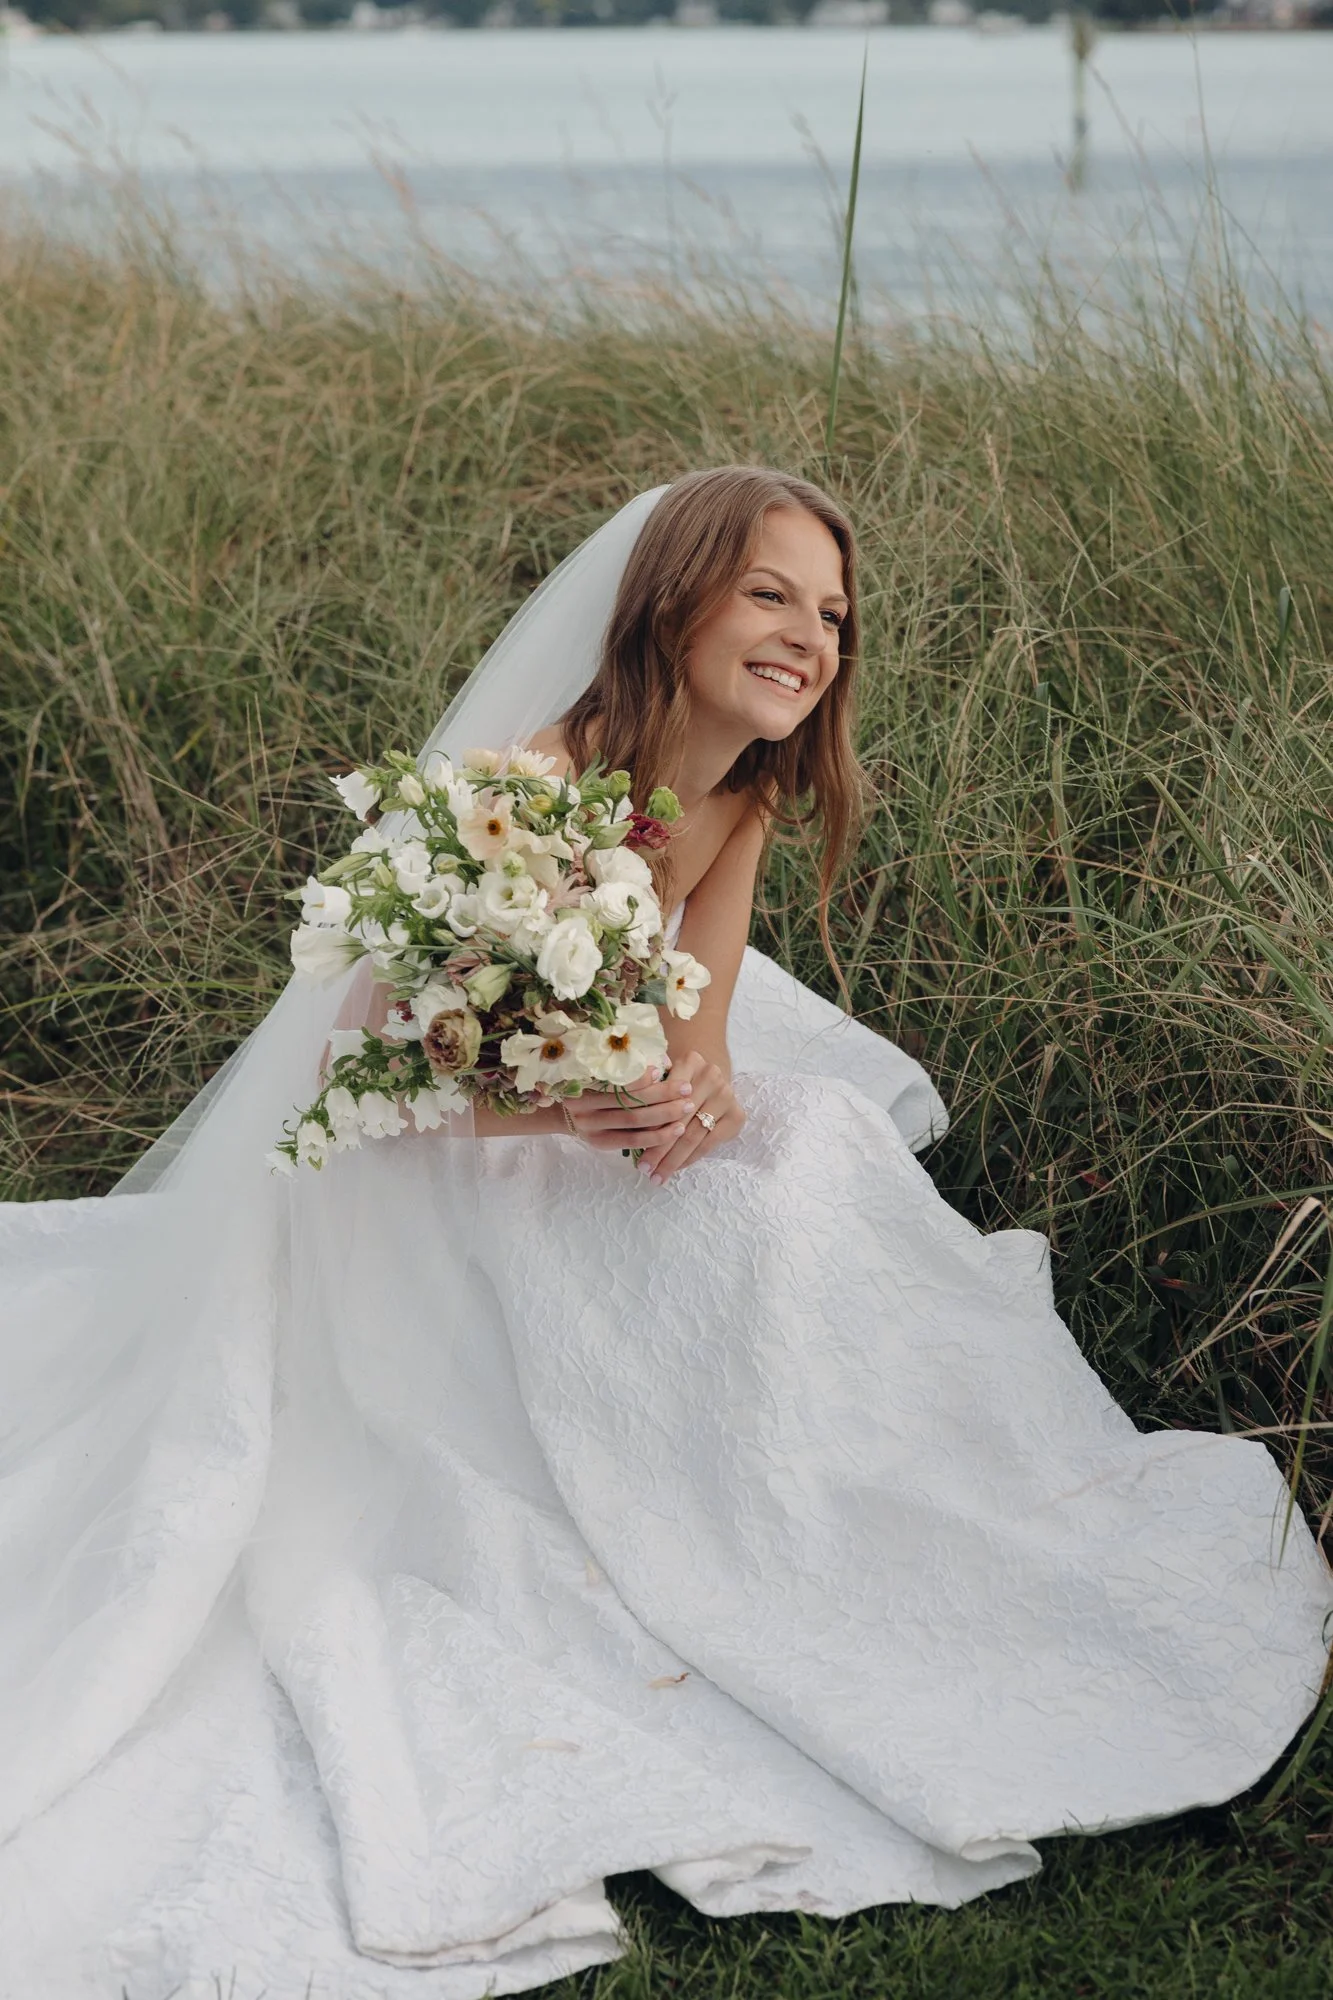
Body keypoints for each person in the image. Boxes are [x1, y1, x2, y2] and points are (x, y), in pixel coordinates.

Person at [1, 467, 1329, 1999]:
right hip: (421, 1183)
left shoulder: (740, 795)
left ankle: (849, 1509)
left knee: (810, 1156)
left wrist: (687, 1097)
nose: (810, 635)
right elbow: (358, 1070)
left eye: (833, 613)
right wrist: (563, 1106)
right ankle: (692, 1522)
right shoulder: (528, 788)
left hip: (578, 1134)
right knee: (724, 1213)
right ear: (674, 602)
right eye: (770, 594)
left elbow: (702, 1030)